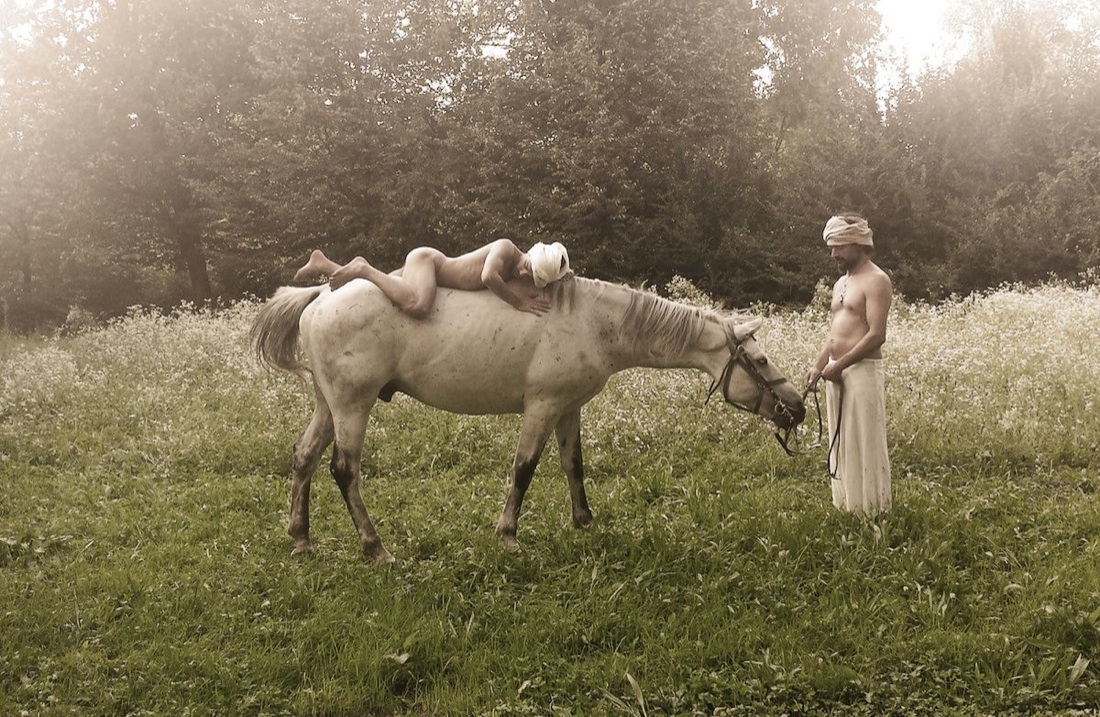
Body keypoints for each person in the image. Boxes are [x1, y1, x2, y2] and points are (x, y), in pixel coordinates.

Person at [805, 214, 893, 517]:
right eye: (831, 247)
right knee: (840, 439)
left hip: (862, 371)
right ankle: (846, 507)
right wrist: (819, 367)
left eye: (839, 247)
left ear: (858, 244)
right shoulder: (841, 283)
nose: (834, 254)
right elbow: (835, 333)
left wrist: (840, 365)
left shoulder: (877, 280)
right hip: (836, 369)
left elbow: (876, 335)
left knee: (864, 438)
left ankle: (873, 510)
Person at [293, 239, 571, 318]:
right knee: (418, 306)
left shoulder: (524, 265)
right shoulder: (506, 249)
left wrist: (565, 275)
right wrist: (518, 302)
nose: (523, 273)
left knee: (381, 288)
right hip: (430, 263)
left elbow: (559, 269)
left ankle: (325, 263)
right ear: (530, 254)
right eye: (527, 267)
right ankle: (363, 267)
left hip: (431, 269)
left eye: (530, 277)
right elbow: (488, 277)